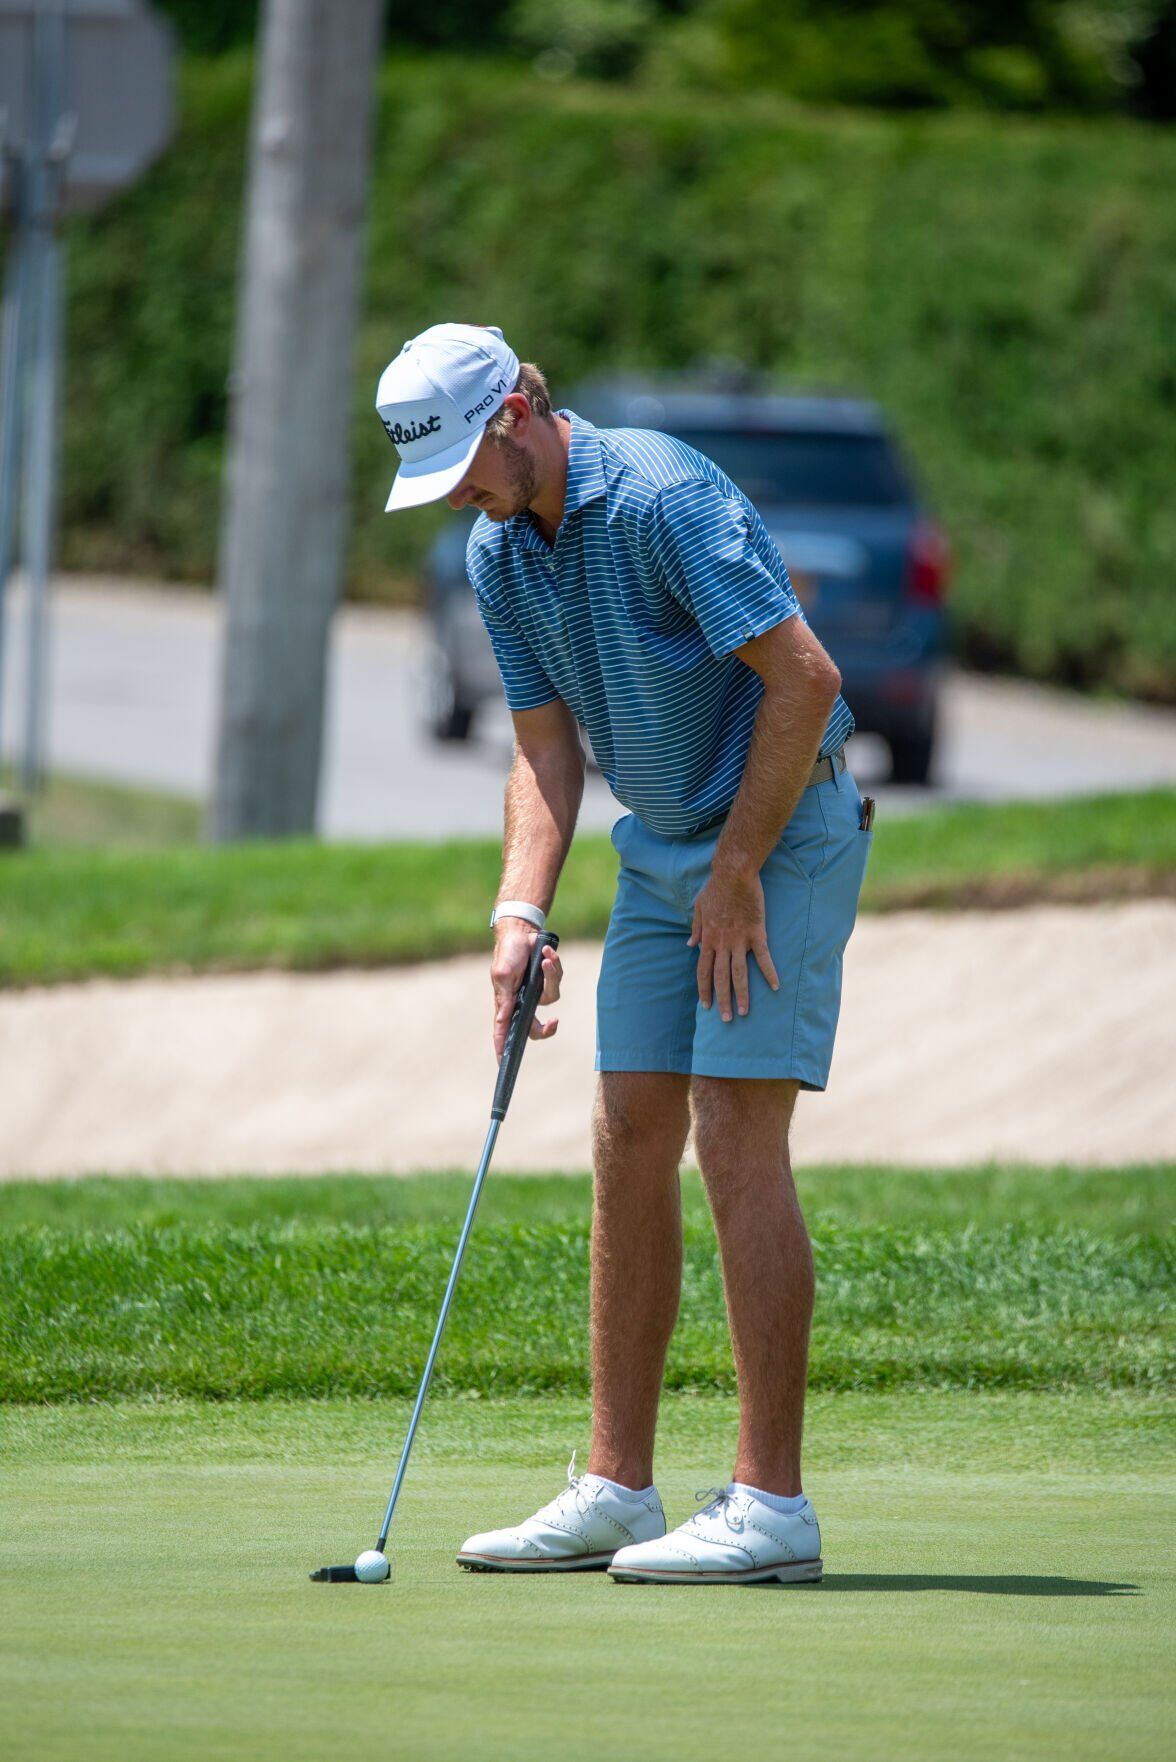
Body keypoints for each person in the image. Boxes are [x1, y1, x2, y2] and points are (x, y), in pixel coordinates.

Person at [376, 322, 873, 1585]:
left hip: (781, 828)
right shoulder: (500, 553)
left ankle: (772, 1506)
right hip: (664, 847)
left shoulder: (656, 492)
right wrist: (517, 916)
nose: (464, 500)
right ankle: (618, 1485)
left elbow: (803, 681)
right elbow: (545, 753)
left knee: (732, 1130)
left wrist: (739, 872)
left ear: (516, 411)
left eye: (466, 468)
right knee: (628, 1126)